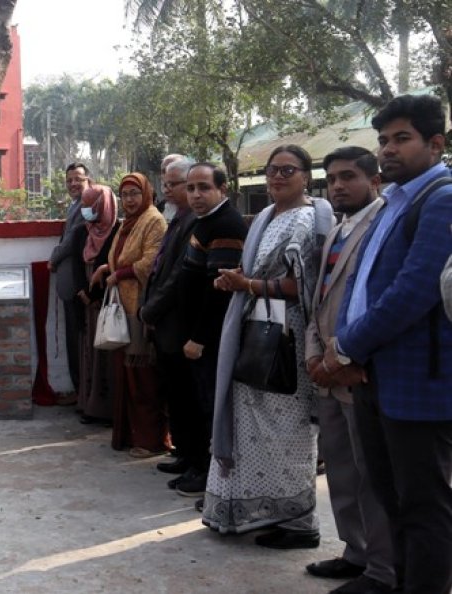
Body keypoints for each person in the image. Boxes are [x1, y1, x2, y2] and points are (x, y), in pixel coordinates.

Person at [327, 94, 452, 594]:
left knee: (425, 508)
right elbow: (366, 282)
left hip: (418, 382)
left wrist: (347, 345)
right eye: (383, 140)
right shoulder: (394, 203)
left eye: (402, 139)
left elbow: (412, 293)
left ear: (435, 143)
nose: (388, 150)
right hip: (377, 377)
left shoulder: (441, 198)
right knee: (391, 498)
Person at [205, 145, 334, 549]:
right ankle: (254, 510)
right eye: (272, 170)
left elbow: (304, 288)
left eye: (287, 170)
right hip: (255, 328)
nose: (277, 177)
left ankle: (299, 523)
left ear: (305, 176)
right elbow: (257, 272)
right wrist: (237, 281)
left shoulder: (311, 218)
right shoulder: (264, 215)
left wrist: (249, 286)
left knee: (286, 430)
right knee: (250, 428)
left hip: (286, 338)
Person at [303, 147, 394, 592]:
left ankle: (382, 567)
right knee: (340, 469)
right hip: (326, 371)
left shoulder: (383, 227)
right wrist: (312, 354)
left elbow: (379, 305)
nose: (338, 186)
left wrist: (341, 358)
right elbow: (318, 301)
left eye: (349, 177)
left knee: (372, 475)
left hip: (358, 370)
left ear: (374, 179)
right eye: (332, 179)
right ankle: (355, 552)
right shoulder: (337, 230)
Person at [165, 163, 246, 498]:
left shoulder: (226, 224)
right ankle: (194, 462)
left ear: (222, 190)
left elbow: (219, 291)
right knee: (195, 403)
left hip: (210, 339)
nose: (196, 194)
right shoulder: (205, 222)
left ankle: (209, 474)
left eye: (204, 188)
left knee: (210, 407)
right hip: (193, 334)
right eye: (192, 188)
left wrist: (199, 337)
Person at [91, 172, 167, 458]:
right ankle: (130, 435)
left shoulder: (154, 220)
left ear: (147, 194)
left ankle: (152, 440)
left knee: (143, 377)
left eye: (135, 193)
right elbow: (119, 256)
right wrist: (106, 269)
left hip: (139, 307)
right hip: (124, 306)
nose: (130, 200)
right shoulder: (127, 224)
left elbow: (151, 262)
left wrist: (118, 274)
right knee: (127, 376)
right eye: (125, 195)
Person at [141, 158, 199, 478]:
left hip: (179, 322)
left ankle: (194, 460)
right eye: (166, 183)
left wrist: (152, 308)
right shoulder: (176, 218)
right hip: (165, 323)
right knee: (175, 395)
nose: (168, 189)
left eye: (175, 184)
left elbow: (178, 276)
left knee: (188, 396)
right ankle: (183, 454)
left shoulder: (193, 221)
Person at [74, 183, 119, 425]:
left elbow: (118, 263)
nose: (86, 210)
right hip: (87, 302)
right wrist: (83, 290)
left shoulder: (118, 230)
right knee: (90, 351)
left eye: (90, 205)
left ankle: (109, 409)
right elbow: (75, 261)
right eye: (84, 205)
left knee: (108, 353)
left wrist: (95, 295)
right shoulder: (84, 231)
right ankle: (90, 406)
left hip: (107, 301)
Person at [48, 163, 91, 404]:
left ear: (88, 180)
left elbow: (74, 237)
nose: (73, 184)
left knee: (79, 340)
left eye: (78, 179)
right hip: (70, 281)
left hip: (78, 281)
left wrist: (54, 258)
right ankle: (79, 391)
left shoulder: (88, 204)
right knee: (74, 339)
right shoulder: (75, 204)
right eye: (69, 181)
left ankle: (83, 393)